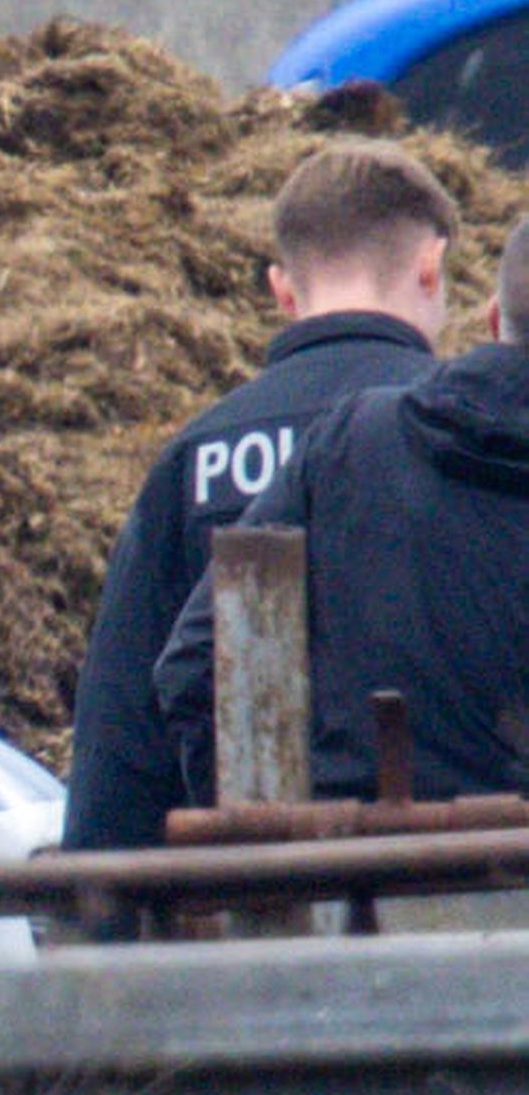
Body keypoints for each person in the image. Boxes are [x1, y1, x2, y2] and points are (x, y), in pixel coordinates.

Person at [63, 137, 457, 847]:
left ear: (282, 290)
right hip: (473, 863)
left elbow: (122, 741)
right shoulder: (468, 433)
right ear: (430, 267)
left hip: (265, 876)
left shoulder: (195, 458)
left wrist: (105, 900)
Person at [151, 212, 529, 811]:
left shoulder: (353, 442)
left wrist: (279, 833)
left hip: (357, 860)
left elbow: (198, 666)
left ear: (492, 319)